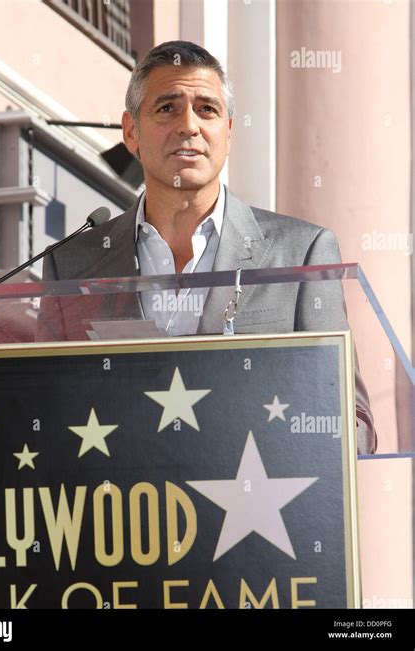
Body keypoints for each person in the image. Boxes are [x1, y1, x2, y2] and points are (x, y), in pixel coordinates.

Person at [28, 40, 374, 454]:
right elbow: (43, 410)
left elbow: (354, 425)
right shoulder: (71, 265)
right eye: (167, 108)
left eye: (206, 109)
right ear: (131, 131)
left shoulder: (301, 255)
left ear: (227, 132)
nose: (189, 125)